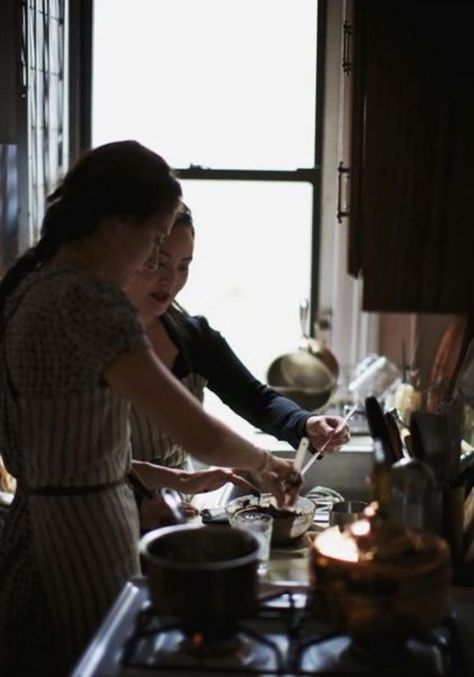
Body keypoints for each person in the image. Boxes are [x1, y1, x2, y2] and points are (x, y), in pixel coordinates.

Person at [0, 140, 301, 676]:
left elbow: (74, 442)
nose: (156, 262)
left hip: (32, 532)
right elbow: (196, 433)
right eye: (156, 241)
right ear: (118, 223)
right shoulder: (89, 302)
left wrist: (183, 484)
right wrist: (268, 463)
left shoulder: (30, 287)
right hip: (83, 536)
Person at [125, 203, 350, 525]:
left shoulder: (192, 337)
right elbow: (79, 460)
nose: (170, 280)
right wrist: (136, 498)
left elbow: (256, 398)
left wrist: (304, 424)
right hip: (102, 508)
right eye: (158, 263)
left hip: (173, 508)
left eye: (184, 266)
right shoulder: (94, 339)